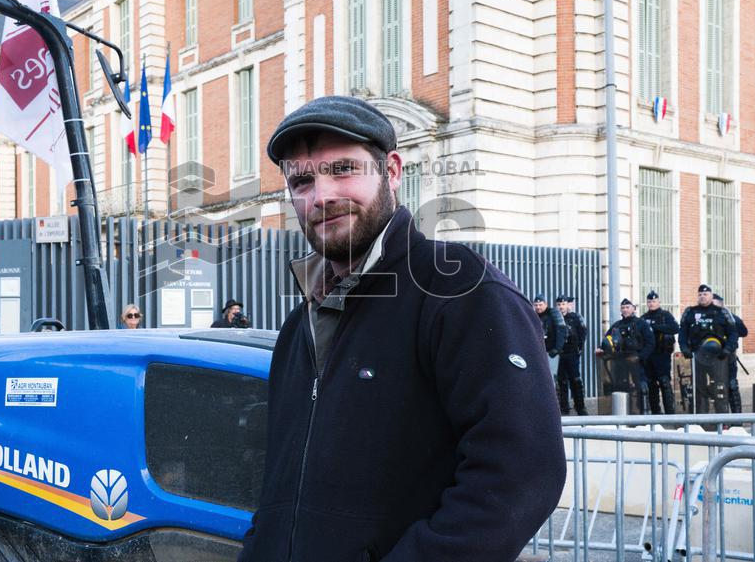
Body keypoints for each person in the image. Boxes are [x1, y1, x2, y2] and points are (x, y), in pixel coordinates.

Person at [239, 96, 565, 562]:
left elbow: (521, 474)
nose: (322, 195)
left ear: (391, 171)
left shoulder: (458, 289)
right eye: (303, 180)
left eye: (343, 169)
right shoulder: (298, 326)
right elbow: (279, 490)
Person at [679, 285, 739, 413]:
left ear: (711, 296)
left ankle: (722, 420)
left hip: (719, 357)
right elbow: (682, 332)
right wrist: (684, 348)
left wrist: (728, 349)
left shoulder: (722, 312)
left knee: (720, 387)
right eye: (700, 294)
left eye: (705, 294)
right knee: (699, 388)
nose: (702, 296)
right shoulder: (690, 312)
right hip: (698, 356)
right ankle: (702, 420)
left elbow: (733, 334)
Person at [600, 298, 655, 412]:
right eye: (623, 308)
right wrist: (601, 349)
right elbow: (607, 340)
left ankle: (644, 413)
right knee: (621, 388)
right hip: (620, 361)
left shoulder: (641, 324)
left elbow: (651, 343)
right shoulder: (617, 325)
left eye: (627, 307)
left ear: (633, 309)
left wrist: (640, 357)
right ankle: (625, 413)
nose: (625, 310)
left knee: (641, 387)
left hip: (637, 360)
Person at [641, 290, 680, 414]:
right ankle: (656, 413)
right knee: (651, 385)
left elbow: (675, 328)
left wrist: (655, 328)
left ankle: (670, 413)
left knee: (664, 383)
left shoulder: (665, 315)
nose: (651, 303)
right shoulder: (644, 318)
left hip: (662, 354)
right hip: (649, 356)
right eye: (649, 301)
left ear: (658, 302)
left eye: (653, 301)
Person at [713, 293, 747, 413]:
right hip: (710, 359)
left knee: (731, 385)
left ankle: (737, 418)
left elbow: (744, 332)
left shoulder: (730, 317)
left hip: (728, 357)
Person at [558, 294, 588, 416]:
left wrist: (578, 350)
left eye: (563, 304)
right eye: (559, 304)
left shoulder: (575, 318)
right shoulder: (555, 318)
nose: (561, 307)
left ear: (567, 305)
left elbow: (583, 334)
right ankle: (564, 409)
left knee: (575, 381)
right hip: (559, 355)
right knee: (561, 382)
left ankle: (580, 407)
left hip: (572, 354)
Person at [534, 293, 566, 358]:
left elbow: (562, 330)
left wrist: (557, 349)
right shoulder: (533, 315)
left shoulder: (554, 313)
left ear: (546, 304)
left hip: (551, 352)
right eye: (536, 305)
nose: (538, 307)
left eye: (540, 305)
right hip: (537, 351)